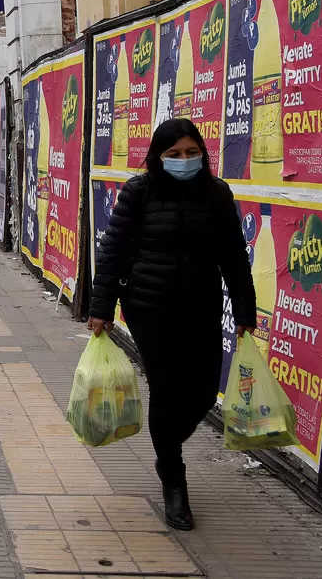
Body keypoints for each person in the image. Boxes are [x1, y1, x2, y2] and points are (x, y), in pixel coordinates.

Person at [88, 117, 255, 532]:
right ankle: (175, 484)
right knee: (166, 387)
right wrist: (101, 308)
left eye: (191, 152)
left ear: (202, 152)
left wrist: (246, 313)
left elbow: (234, 257)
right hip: (149, 307)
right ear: (158, 157)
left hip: (201, 305)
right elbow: (113, 250)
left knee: (201, 391)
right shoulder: (140, 191)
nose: (184, 160)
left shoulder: (217, 195)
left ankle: (165, 446)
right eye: (174, 154)